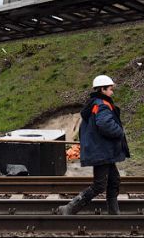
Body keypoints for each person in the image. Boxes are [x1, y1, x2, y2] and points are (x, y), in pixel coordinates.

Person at [57, 74, 130, 215]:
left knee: (114, 180)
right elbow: (104, 124)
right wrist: (119, 131)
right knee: (99, 185)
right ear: (102, 89)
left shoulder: (97, 103)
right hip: (102, 151)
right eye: (110, 89)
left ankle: (114, 212)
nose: (112, 91)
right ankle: (69, 208)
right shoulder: (101, 105)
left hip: (104, 150)